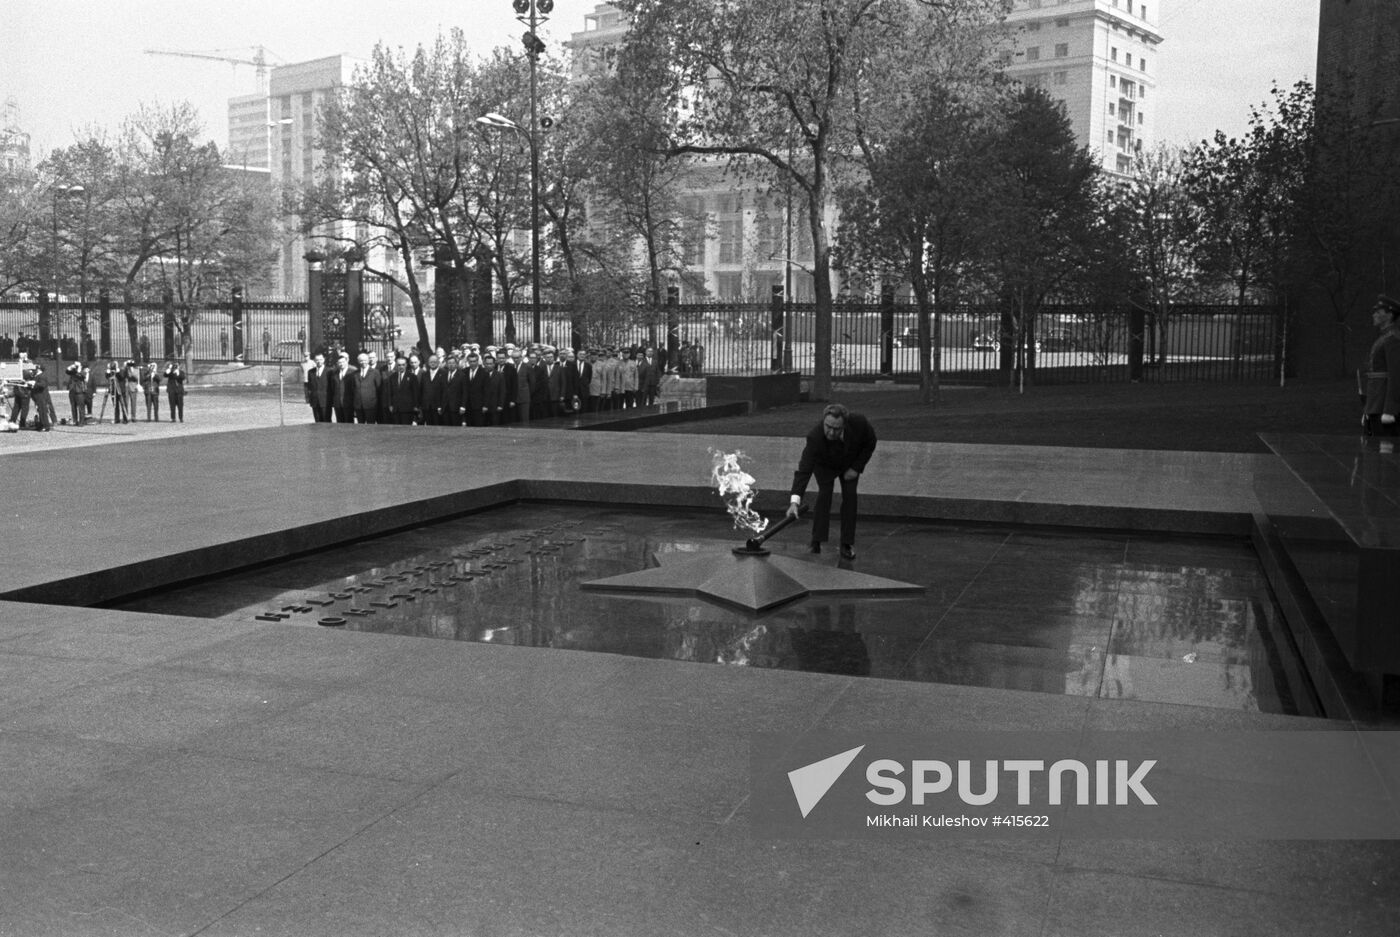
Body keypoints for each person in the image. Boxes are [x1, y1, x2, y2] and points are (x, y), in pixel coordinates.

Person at [786, 403, 878, 561]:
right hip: (825, 465)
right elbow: (804, 470)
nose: (831, 432)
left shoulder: (859, 423)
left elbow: (871, 442)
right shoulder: (814, 437)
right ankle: (816, 540)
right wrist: (794, 502)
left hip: (850, 463)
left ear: (845, 424)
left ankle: (847, 544)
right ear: (823, 421)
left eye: (837, 428)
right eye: (828, 426)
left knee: (850, 497)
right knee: (824, 495)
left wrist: (856, 468)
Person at [1361, 295, 1400, 437]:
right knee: (1376, 453)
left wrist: (1390, 410)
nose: (1374, 315)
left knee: (1386, 453)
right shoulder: (1384, 338)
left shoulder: (1393, 339)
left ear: (1389, 315)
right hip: (1376, 405)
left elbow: (1396, 376)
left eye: (1378, 312)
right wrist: (1367, 409)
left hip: (1384, 407)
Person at [304, 352, 332, 422]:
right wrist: (309, 398)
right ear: (314, 360)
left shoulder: (330, 371)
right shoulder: (310, 372)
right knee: (317, 421)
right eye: (317, 360)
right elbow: (310, 387)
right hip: (315, 401)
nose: (319, 361)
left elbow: (332, 387)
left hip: (326, 401)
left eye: (320, 359)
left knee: (327, 421)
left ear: (324, 360)